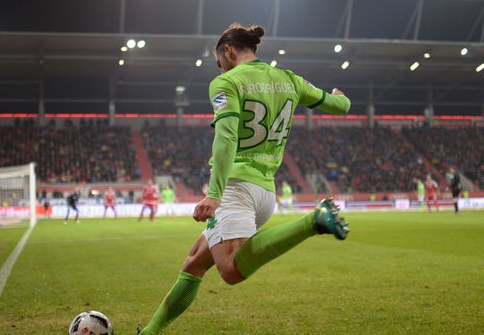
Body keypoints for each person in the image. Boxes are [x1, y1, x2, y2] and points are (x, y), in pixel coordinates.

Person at [138, 23, 351, 335]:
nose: (219, 67)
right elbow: (340, 107)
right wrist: (339, 97)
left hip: (235, 189)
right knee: (195, 262)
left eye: (218, 61)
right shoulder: (289, 80)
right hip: (265, 192)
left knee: (231, 270)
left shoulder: (227, 83)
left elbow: (225, 138)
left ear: (228, 51)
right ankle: (150, 332)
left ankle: (314, 221)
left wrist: (214, 194)